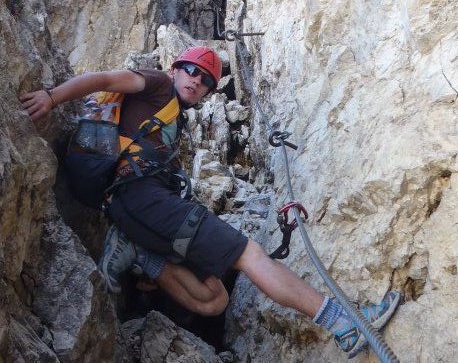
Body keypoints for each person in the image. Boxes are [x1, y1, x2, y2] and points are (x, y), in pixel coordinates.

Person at [20, 46, 401, 358]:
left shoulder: (174, 122)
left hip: (134, 210)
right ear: (175, 69)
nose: (197, 81)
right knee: (250, 255)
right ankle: (344, 323)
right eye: (191, 71)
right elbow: (104, 78)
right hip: (142, 198)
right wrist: (52, 97)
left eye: (206, 81)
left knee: (214, 299)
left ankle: (143, 255)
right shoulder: (156, 84)